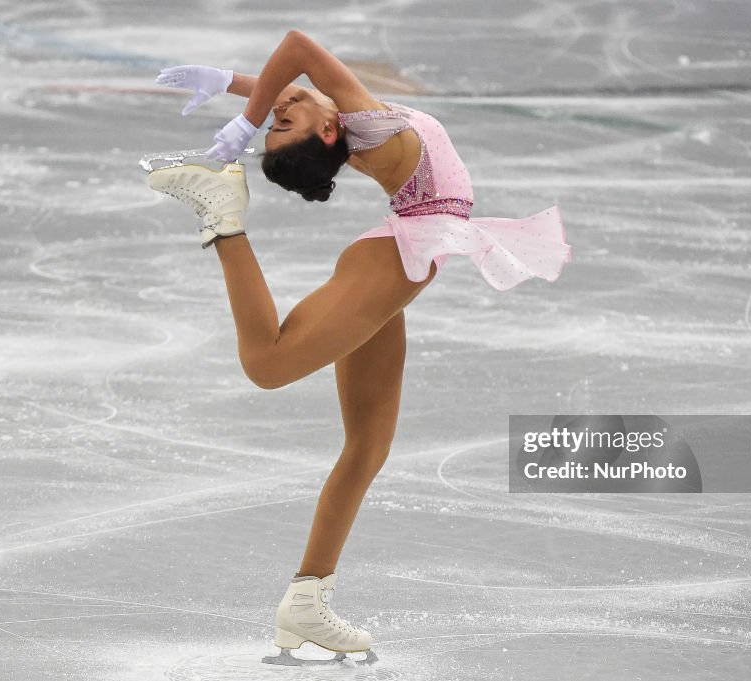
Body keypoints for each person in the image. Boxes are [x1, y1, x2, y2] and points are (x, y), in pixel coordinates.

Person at [144, 30, 572, 665]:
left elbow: (291, 81)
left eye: (278, 121)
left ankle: (307, 602)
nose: (279, 111)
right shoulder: (370, 124)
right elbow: (297, 50)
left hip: (401, 247)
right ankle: (222, 218)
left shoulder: (348, 120)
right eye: (281, 122)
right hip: (401, 255)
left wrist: (232, 87)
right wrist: (248, 116)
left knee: (367, 445)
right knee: (267, 364)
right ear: (324, 135)